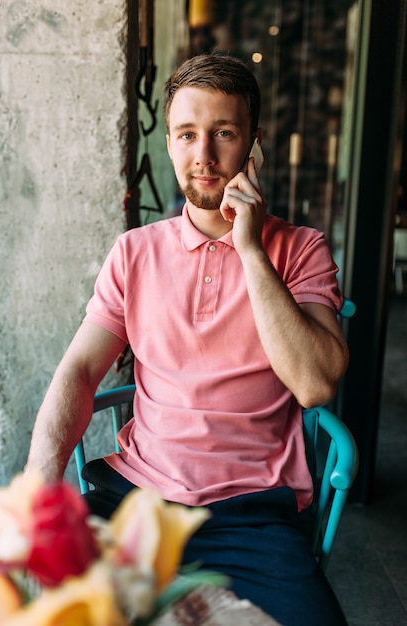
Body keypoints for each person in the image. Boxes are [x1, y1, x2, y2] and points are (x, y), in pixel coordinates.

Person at [26, 54, 349, 625]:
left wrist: (250, 249)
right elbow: (79, 372)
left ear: (254, 145)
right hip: (137, 498)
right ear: (171, 144)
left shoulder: (301, 249)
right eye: (187, 134)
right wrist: (39, 486)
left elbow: (315, 384)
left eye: (223, 133)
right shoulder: (134, 252)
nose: (204, 154)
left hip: (251, 512)